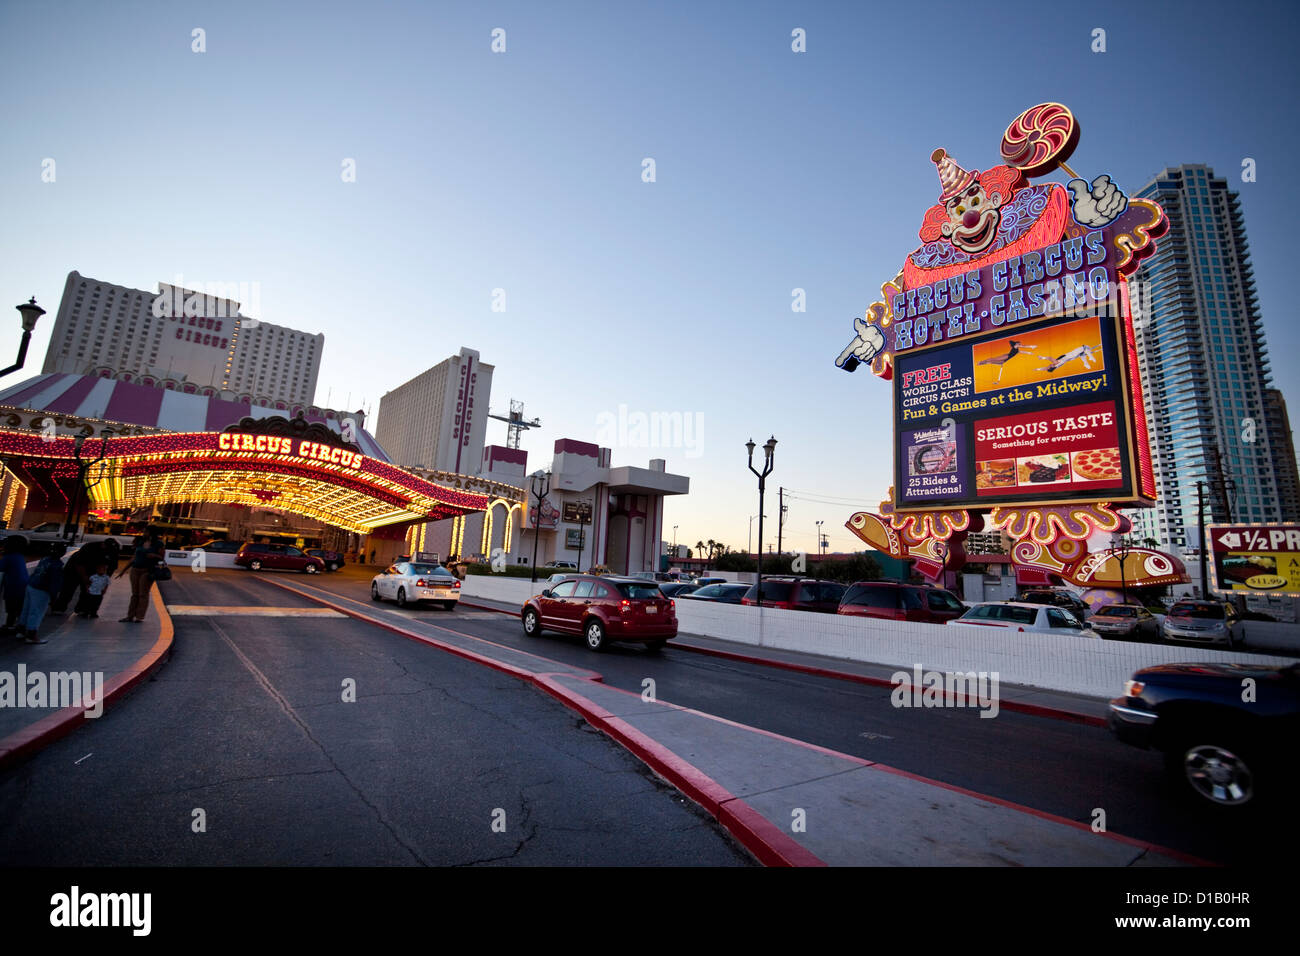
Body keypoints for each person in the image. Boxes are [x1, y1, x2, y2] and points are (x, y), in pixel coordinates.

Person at [19, 543, 66, 644]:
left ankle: (21, 631)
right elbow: (54, 583)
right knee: (36, 612)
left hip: (31, 585)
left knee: (26, 610)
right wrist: (54, 597)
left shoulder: (45, 559)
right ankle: (31, 635)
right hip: (42, 590)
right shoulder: (57, 565)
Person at [117, 529, 164, 623]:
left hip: (148, 570)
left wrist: (154, 555)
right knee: (135, 594)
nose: (144, 533)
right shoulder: (141, 542)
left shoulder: (158, 544)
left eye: (146, 532)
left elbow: (162, 557)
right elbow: (134, 557)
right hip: (135, 569)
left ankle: (139, 616)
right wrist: (123, 570)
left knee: (143, 594)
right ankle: (130, 616)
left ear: (151, 533)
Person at [49, 540, 106, 615]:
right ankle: (59, 608)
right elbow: (79, 565)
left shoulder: (109, 553)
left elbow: (105, 568)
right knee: (68, 589)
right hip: (73, 568)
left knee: (86, 591)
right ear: (103, 545)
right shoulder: (88, 547)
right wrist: (85, 578)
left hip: (89, 569)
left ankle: (81, 609)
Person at [1, 535, 30, 635]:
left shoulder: (8, 557)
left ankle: (12, 627)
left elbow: (1, 569)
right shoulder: (19, 556)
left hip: (13, 587)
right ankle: (16, 626)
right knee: (18, 608)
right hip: (22, 586)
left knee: (12, 609)